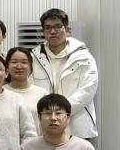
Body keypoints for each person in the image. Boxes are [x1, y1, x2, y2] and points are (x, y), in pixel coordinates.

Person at [30, 8, 99, 140]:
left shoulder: (84, 57)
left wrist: (61, 112)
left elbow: (88, 90)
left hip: (77, 127)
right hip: (44, 127)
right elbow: (31, 90)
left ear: (67, 30)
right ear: (43, 32)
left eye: (57, 26)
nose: (53, 31)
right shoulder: (33, 58)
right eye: (48, 27)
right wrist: (49, 115)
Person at [5, 46, 49, 129]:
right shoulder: (0, 92)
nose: (19, 66)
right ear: (7, 66)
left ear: (31, 67)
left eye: (24, 62)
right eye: (14, 62)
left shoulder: (42, 94)